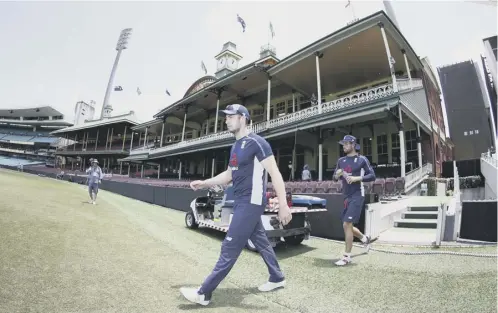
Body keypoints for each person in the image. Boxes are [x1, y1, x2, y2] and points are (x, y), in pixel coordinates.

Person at [180, 104, 292, 306]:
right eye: (226, 117)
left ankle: (204, 293)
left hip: (250, 202)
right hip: (242, 201)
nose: (226, 120)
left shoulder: (257, 143)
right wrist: (205, 182)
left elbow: (275, 173)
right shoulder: (235, 146)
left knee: (229, 246)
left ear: (243, 118)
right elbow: (229, 175)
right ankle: (277, 277)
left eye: (231, 116)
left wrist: (283, 204)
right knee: (261, 241)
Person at [332, 135, 376, 266]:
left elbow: (372, 176)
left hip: (358, 194)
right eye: (343, 144)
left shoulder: (362, 159)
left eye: (346, 144)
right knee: (347, 225)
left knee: (346, 224)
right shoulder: (341, 160)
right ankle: (365, 238)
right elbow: (334, 178)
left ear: (353, 144)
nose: (344, 146)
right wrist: (338, 174)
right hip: (346, 195)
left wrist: (357, 178)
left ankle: (346, 257)